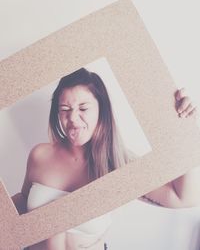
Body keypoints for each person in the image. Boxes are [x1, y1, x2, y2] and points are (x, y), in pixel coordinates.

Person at [12, 68, 200, 250]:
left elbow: (182, 198)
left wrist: (184, 131)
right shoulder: (40, 155)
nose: (73, 119)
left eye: (83, 108)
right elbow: (23, 203)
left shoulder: (117, 163)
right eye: (64, 109)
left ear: (101, 109)